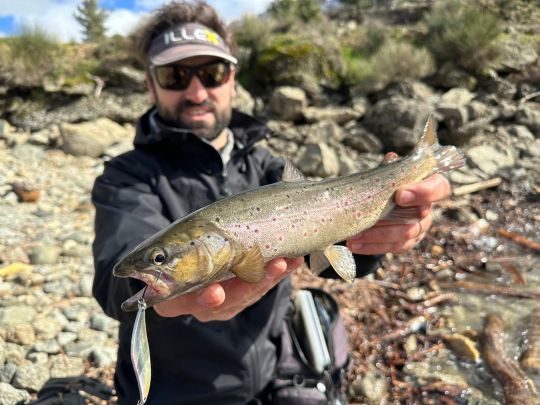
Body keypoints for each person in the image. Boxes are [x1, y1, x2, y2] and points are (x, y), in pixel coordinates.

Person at [91, 1, 451, 403]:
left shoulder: (271, 167)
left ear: (232, 79)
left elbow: (331, 258)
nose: (196, 91)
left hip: (273, 373)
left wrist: (381, 234)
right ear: (150, 84)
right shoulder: (126, 176)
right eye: (175, 75)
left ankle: (425, 157)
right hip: (175, 391)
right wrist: (153, 298)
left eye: (211, 74)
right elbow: (114, 275)